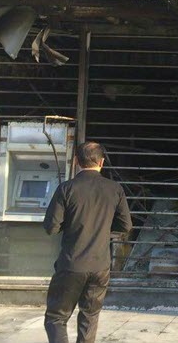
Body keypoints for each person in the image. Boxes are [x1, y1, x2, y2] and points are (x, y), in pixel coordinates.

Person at [43, 141, 132, 343]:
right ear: (101, 162)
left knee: (56, 318)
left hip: (71, 264)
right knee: (90, 317)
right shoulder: (114, 189)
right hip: (100, 266)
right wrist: (103, 228)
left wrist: (70, 224)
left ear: (76, 161)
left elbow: (51, 227)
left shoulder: (66, 188)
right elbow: (126, 225)